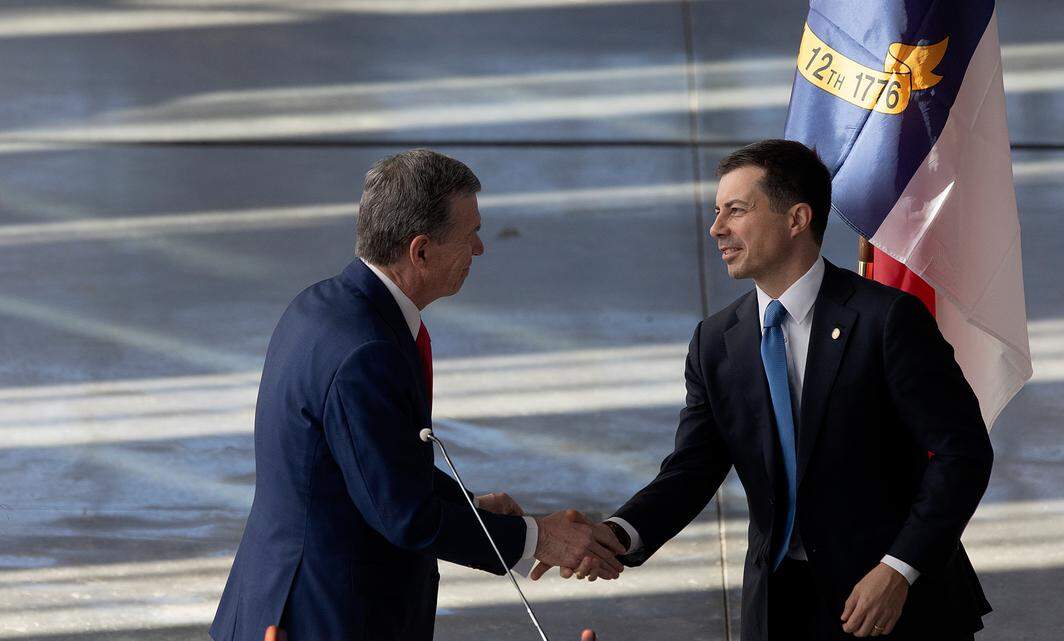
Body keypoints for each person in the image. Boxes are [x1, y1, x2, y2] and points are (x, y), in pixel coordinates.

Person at [536, 140, 993, 640]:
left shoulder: (886, 321)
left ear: (796, 219)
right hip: (780, 607)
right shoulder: (716, 341)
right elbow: (693, 468)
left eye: (736, 210)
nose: (716, 229)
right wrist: (617, 534)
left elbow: (962, 454)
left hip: (892, 603)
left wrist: (900, 567)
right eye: (716, 212)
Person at [212, 149, 624, 641]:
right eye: (470, 233)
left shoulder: (323, 307)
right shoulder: (367, 351)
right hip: (324, 617)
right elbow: (402, 514)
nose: (480, 249)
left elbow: (373, 463)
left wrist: (469, 507)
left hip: (283, 598)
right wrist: (540, 539)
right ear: (421, 250)